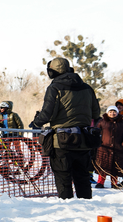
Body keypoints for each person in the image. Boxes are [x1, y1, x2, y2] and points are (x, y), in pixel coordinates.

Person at [30, 57, 100, 199]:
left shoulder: (54, 87)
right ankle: (86, 205)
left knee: (63, 177)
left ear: (52, 71)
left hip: (62, 141)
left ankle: (67, 205)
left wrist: (36, 123)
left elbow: (48, 113)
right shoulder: (87, 88)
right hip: (84, 140)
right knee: (83, 177)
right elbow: (96, 113)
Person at [94, 105, 123, 188]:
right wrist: (98, 143)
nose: (112, 113)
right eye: (110, 112)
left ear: (117, 113)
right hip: (104, 149)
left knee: (115, 167)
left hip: (118, 149)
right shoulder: (102, 122)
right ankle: (100, 182)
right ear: (107, 113)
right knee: (102, 167)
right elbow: (96, 132)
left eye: (114, 112)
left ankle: (114, 183)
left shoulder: (122, 123)